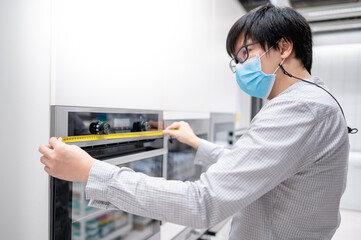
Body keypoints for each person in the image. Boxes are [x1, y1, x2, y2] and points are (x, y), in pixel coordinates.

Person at [39, 4, 352, 240]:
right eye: (237, 60)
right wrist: (196, 142)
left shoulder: (300, 109)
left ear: (284, 47)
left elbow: (203, 203)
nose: (241, 66)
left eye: (246, 52)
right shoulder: (312, 103)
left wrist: (91, 171)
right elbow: (255, 169)